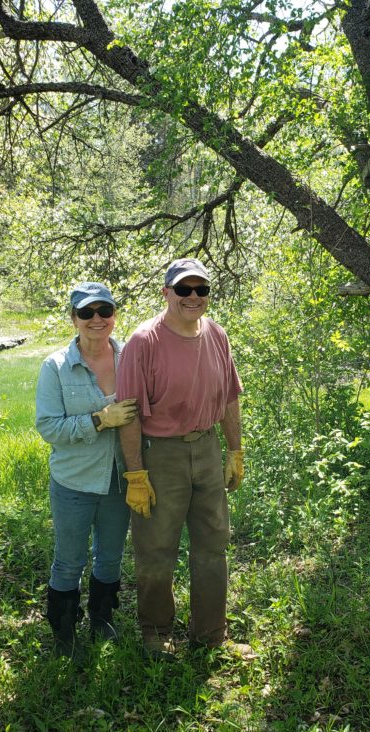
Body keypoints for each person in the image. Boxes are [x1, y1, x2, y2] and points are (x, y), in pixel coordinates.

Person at [116, 258, 251, 660]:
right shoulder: (144, 341)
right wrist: (136, 475)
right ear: (166, 292)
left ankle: (211, 633)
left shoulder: (216, 334)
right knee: (156, 548)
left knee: (213, 545)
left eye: (201, 290)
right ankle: (156, 633)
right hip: (162, 455)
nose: (193, 297)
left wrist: (235, 450)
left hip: (207, 449)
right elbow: (129, 413)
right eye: (183, 289)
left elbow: (229, 397)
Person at [35, 282, 138, 657]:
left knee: (110, 556)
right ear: (74, 319)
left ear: (114, 315)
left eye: (104, 311)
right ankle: (64, 633)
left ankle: (102, 619)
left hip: (119, 480)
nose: (97, 320)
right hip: (73, 482)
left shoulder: (132, 357)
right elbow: (48, 427)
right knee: (69, 560)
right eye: (87, 313)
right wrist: (99, 420)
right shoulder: (56, 366)